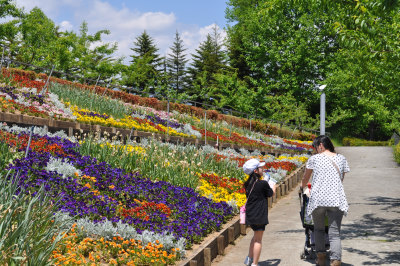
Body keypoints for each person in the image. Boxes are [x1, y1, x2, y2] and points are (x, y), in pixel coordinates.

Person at [300, 135, 350, 266]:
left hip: (318, 199)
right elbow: (341, 179)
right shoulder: (341, 158)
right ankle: (336, 260)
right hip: (336, 199)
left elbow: (306, 177)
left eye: (316, 147)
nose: (316, 150)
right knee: (334, 233)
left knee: (319, 230)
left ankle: (321, 258)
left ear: (321, 145)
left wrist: (302, 186)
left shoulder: (314, 159)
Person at [242, 158, 276, 266]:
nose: (263, 169)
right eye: (261, 168)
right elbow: (271, 193)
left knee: (255, 236)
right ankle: (255, 264)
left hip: (251, 215)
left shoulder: (248, 184)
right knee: (258, 240)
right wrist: (273, 184)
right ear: (256, 171)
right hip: (259, 215)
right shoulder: (262, 184)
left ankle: (249, 258)